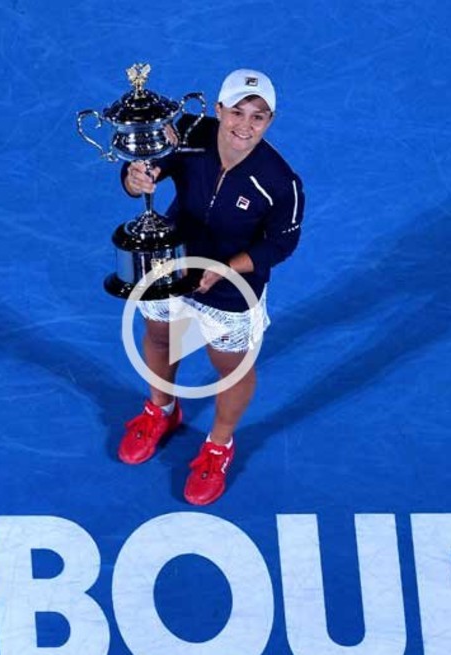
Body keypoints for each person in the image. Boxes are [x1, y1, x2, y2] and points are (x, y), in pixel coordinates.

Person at [116, 68, 306, 505]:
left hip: (231, 289)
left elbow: (281, 243)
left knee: (230, 367)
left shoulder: (281, 183)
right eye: (237, 112)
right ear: (218, 109)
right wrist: (134, 178)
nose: (245, 125)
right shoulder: (187, 132)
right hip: (171, 262)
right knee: (160, 337)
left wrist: (227, 268)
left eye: (258, 116)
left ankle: (219, 445)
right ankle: (162, 410)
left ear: (270, 120)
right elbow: (147, 166)